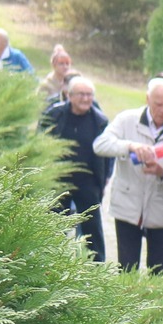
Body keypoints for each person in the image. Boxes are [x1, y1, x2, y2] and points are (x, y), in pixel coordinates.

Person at [92, 77, 163, 273]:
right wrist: (130, 146)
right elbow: (100, 145)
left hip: (161, 208)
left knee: (159, 271)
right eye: (158, 104)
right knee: (127, 269)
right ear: (147, 99)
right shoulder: (127, 120)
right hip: (128, 206)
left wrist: (162, 172)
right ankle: (126, 304)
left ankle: (155, 304)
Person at [39, 75, 108, 261]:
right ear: (69, 95)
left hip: (87, 180)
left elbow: (107, 153)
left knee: (92, 225)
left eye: (89, 95)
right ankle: (49, 260)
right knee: (54, 223)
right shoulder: (54, 115)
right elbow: (39, 144)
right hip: (58, 179)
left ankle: (96, 265)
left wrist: (106, 177)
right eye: (81, 95)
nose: (86, 99)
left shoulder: (100, 121)